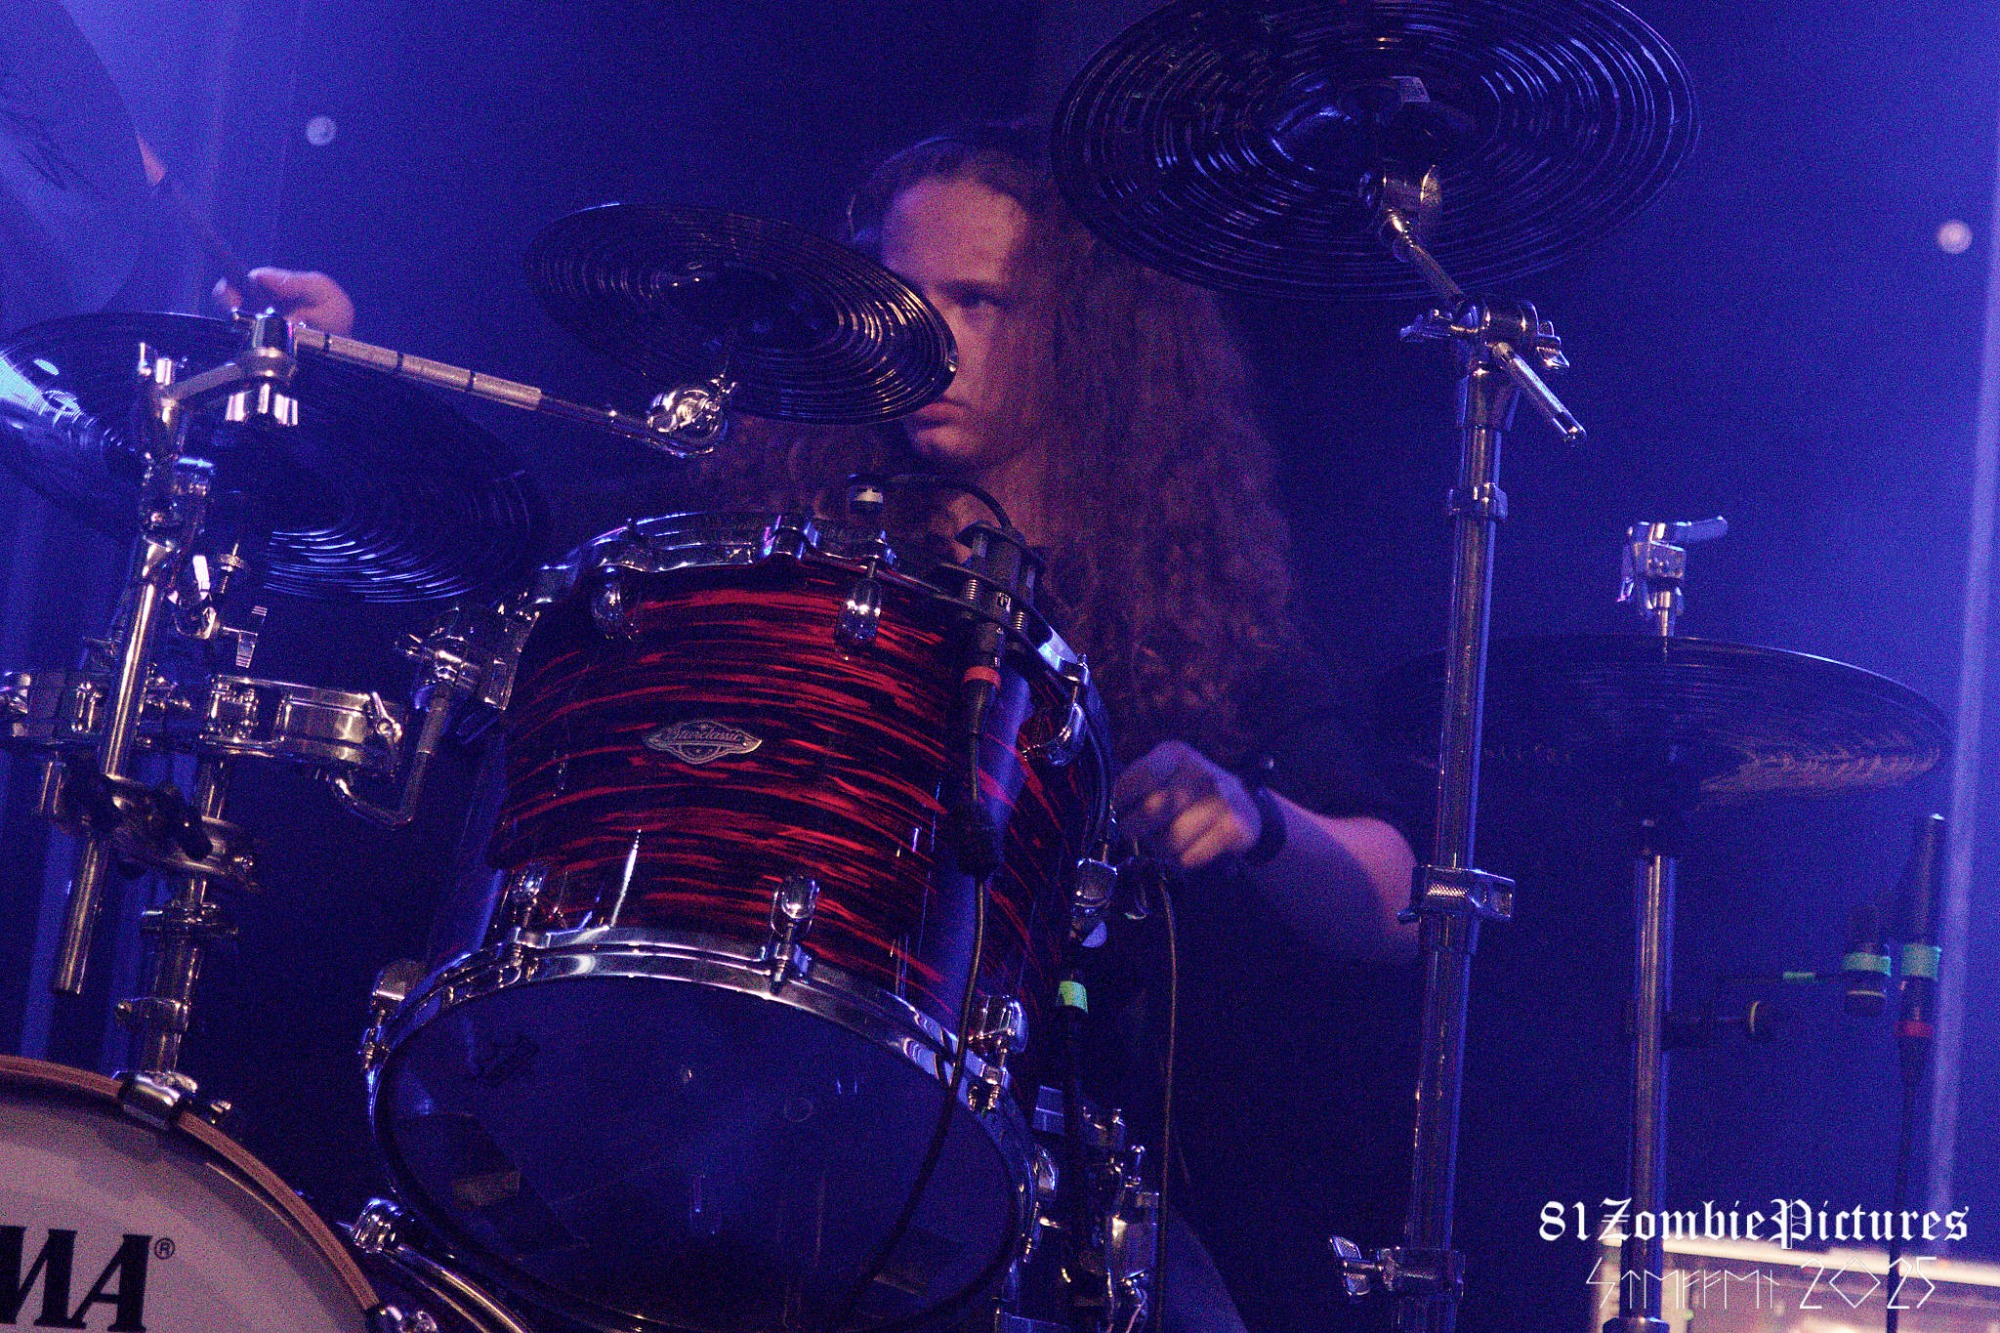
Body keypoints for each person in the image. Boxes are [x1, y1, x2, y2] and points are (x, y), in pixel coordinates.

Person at [221, 120, 1419, 1332]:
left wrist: (1258, 820)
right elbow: (497, 523)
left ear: (1090, 337)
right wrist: (354, 386)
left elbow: (1393, 897)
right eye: (899, 299)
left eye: (980, 301)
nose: (928, 338)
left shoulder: (1184, 598)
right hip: (691, 1112)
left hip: (1011, 1185)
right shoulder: (769, 529)